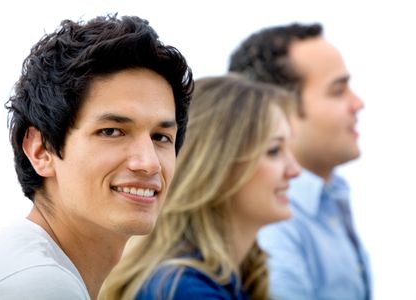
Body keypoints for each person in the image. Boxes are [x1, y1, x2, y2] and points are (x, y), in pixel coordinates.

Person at [0, 13, 193, 300]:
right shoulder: (38, 285)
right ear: (41, 150)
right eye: (112, 131)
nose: (148, 163)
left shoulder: (31, 268)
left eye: (161, 137)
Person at [99, 74, 301, 300]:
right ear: (218, 166)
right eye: (274, 151)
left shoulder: (232, 277)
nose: (295, 170)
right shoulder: (184, 290)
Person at [229, 23, 370, 300]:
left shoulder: (330, 196)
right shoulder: (272, 223)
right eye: (338, 90)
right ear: (279, 109)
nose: (358, 103)